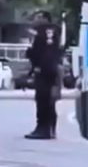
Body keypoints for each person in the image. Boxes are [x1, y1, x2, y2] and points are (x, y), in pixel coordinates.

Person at [25, 11, 62, 140]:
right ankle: (52, 128)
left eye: (37, 18)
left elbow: (33, 51)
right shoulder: (57, 30)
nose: (35, 20)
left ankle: (42, 128)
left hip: (42, 68)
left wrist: (31, 58)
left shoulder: (37, 31)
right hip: (54, 67)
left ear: (44, 19)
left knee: (41, 99)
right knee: (50, 100)